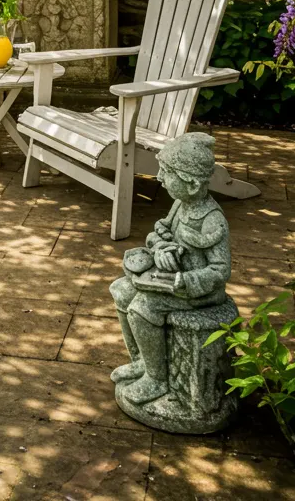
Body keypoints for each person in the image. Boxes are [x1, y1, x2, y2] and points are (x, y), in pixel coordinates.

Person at [109, 132, 231, 406]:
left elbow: (220, 270)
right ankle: (142, 360)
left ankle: (157, 378)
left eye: (167, 172)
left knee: (143, 307)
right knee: (121, 290)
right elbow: (161, 230)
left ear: (191, 183)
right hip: (169, 279)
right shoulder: (181, 204)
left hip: (196, 293)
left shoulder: (212, 220)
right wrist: (160, 246)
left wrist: (182, 280)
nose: (160, 178)